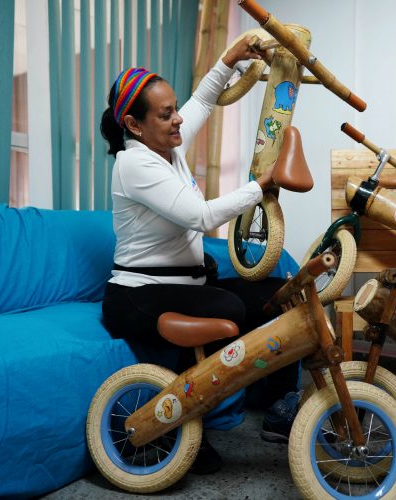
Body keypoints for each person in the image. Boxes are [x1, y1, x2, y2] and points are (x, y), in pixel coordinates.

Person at [99, 36, 298, 475]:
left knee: (279, 294)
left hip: (182, 285)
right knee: (227, 306)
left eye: (174, 109)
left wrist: (229, 58)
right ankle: (182, 424)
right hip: (138, 294)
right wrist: (259, 187)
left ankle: (284, 408)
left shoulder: (165, 146)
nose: (177, 120)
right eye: (165, 113)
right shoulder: (135, 165)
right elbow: (200, 216)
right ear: (134, 125)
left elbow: (204, 100)